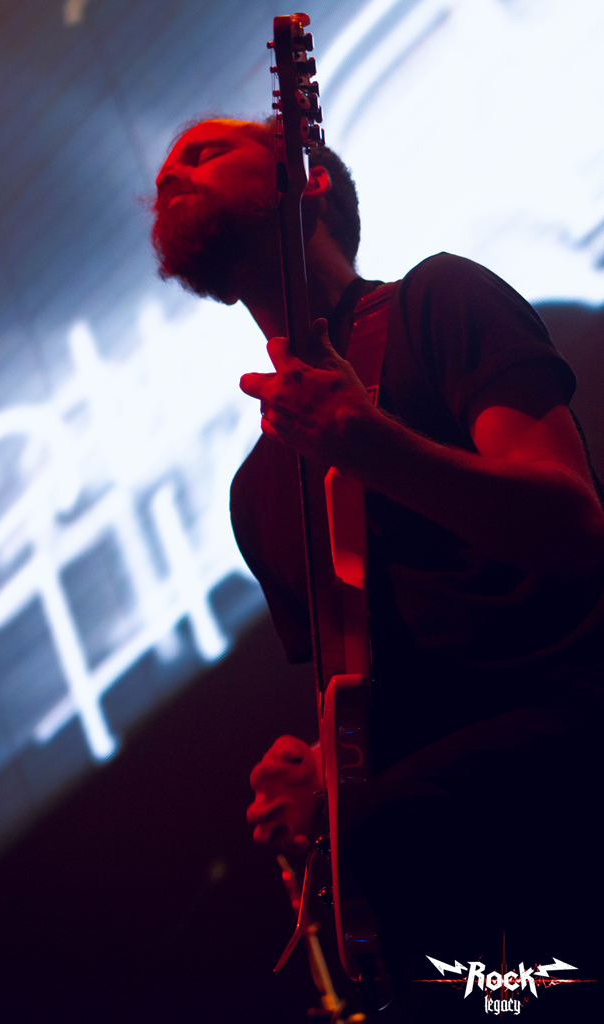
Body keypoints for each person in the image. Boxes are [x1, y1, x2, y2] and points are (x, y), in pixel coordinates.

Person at [152, 118, 604, 1020]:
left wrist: (374, 448)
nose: (169, 176)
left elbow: (572, 524)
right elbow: (379, 684)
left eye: (204, 152)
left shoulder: (439, 300)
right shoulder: (256, 489)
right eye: (165, 172)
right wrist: (320, 771)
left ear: (306, 178)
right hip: (443, 845)